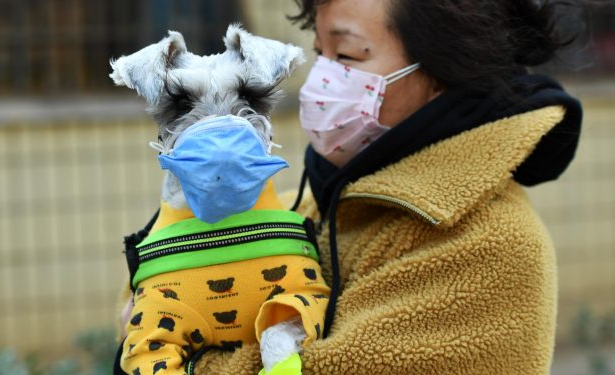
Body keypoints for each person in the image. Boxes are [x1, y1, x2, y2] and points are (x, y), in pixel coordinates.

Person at [117, 0, 583, 373]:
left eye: (347, 56)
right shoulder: (316, 204)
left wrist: (164, 353)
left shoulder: (494, 250)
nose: (320, 81)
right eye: (320, 54)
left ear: (443, 72)